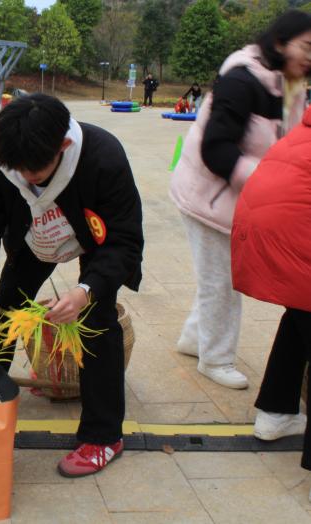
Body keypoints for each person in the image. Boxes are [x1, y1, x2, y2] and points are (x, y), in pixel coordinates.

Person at [0, 94, 144, 477]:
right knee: (5, 305)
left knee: (96, 318)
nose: (26, 177)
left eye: (35, 169)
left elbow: (124, 239)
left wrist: (85, 289)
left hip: (95, 239)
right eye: (17, 169)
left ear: (64, 146)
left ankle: (103, 436)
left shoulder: (102, 155)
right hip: (33, 239)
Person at [169, 10, 311, 390]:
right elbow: (215, 149)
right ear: (280, 43)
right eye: (307, 47)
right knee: (224, 281)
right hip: (209, 198)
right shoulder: (241, 82)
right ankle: (215, 359)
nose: (310, 58)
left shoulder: (291, 84)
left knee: (217, 276)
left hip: (240, 198)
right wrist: (268, 178)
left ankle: (192, 340)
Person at [231, 104, 311, 486]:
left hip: (263, 230)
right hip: (293, 236)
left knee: (301, 314)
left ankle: (276, 414)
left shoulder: (304, 127)